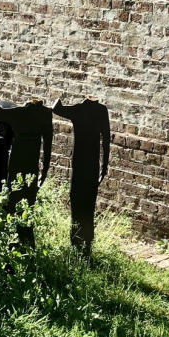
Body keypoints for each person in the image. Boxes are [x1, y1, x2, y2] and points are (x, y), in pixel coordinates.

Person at [0, 100, 53, 243]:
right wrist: (45, 172)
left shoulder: (17, 113)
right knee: (27, 204)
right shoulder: (46, 114)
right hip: (31, 168)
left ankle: (12, 240)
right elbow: (48, 148)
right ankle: (25, 240)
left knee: (12, 201)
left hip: (16, 166)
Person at [52, 98, 110, 255]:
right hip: (92, 165)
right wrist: (104, 166)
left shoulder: (77, 109)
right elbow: (106, 140)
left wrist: (63, 98)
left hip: (79, 164)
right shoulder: (101, 110)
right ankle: (87, 244)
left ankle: (76, 241)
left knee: (77, 201)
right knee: (88, 204)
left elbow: (56, 108)